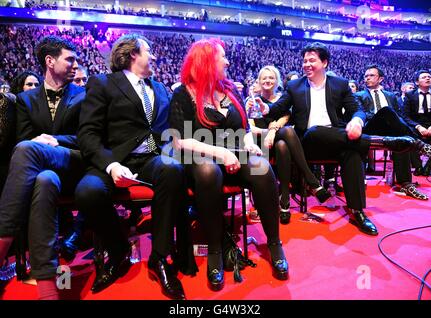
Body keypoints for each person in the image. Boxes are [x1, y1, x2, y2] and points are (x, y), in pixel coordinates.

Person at [258, 42, 431, 236]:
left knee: (353, 151)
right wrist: (266, 109)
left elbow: (356, 109)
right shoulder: (294, 86)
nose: (306, 64)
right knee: (316, 131)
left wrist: (357, 120)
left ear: (324, 63)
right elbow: (278, 108)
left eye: (312, 60)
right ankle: (380, 142)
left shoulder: (339, 84)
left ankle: (357, 211)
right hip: (307, 143)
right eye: (304, 60)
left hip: (337, 139)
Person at [75, 34, 197, 299]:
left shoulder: (160, 88)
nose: (153, 56)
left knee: (172, 169)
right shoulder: (103, 83)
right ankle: (119, 252)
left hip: (150, 159)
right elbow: (88, 134)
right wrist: (111, 165)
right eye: (149, 50)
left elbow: (169, 130)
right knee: (87, 192)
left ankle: (160, 257)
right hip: (113, 161)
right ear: (133, 54)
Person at [169, 38, 288, 292]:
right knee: (208, 170)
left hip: (233, 152)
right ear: (206, 61)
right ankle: (215, 251)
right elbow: (179, 141)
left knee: (262, 167)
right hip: (199, 156)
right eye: (222, 56)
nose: (227, 61)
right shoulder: (182, 92)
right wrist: (220, 153)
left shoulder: (230, 88)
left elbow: (243, 128)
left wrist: (249, 144)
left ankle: (275, 244)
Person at [0, 36, 85, 299]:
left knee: (27, 150)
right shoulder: (26, 100)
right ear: (50, 61)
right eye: (69, 59)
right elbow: (22, 138)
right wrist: (38, 142)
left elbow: (86, 138)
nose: (75, 65)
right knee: (45, 180)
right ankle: (48, 285)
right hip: (41, 171)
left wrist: (54, 140)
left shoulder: (84, 96)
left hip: (73, 163)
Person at [247, 65, 330, 224]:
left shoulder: (282, 99)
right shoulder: (251, 101)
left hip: (278, 142)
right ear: (258, 81)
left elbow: (285, 119)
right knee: (286, 135)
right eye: (264, 78)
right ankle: (312, 182)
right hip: (260, 145)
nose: (267, 81)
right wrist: (267, 133)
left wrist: (273, 131)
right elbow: (249, 127)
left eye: (271, 77)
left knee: (283, 145)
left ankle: (284, 200)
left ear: (277, 81)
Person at [355, 65, 428, 200]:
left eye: (371, 75)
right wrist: (383, 115)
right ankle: (419, 144)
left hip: (391, 128)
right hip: (370, 127)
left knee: (402, 137)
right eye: (365, 76)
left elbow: (399, 115)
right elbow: (361, 114)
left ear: (380, 78)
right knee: (387, 111)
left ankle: (405, 183)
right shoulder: (358, 95)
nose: (367, 78)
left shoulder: (390, 95)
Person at [403, 70, 431, 175]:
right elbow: (405, 115)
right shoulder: (410, 95)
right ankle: (418, 166)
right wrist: (418, 126)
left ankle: (428, 167)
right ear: (417, 82)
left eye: (429, 77)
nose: (428, 78)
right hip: (415, 124)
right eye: (424, 77)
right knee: (409, 138)